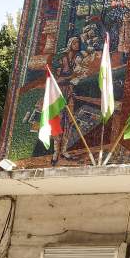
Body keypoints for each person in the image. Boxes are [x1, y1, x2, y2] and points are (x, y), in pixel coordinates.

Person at [51, 36, 84, 164]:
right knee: (58, 121)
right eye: (75, 43)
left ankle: (64, 150)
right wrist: (71, 77)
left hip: (70, 92)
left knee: (68, 122)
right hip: (60, 93)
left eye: (78, 43)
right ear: (70, 44)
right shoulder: (62, 58)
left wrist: (76, 77)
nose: (77, 44)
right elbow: (58, 78)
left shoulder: (77, 59)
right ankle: (55, 152)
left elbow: (78, 75)